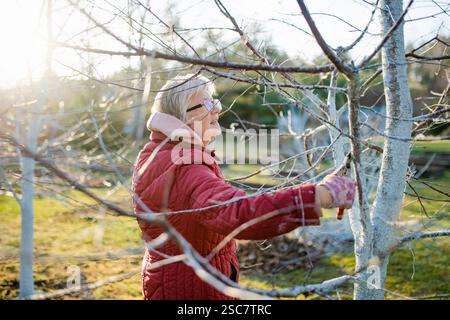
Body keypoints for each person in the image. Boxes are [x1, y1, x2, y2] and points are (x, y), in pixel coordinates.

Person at [131, 73, 356, 300]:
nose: (217, 110)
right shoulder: (187, 165)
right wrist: (322, 195)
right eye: (208, 103)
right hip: (194, 288)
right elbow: (237, 213)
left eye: (216, 102)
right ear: (181, 115)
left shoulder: (156, 152)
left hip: (169, 278)